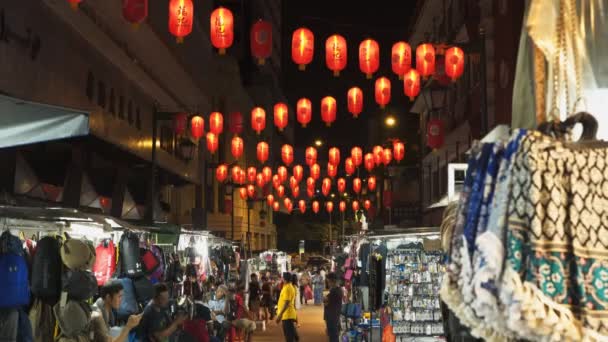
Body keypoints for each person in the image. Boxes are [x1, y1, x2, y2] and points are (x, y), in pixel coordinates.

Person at [275, 273, 297, 342]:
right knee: (290, 334)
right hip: (287, 314)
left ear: (284, 279)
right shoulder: (288, 286)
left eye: (282, 278)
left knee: (289, 336)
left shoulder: (287, 288)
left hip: (287, 315)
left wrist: (280, 315)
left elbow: (286, 303)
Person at [324, 273, 342, 342]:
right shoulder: (336, 290)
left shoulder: (334, 291)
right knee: (333, 335)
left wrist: (325, 299)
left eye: (328, 281)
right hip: (333, 316)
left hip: (332, 316)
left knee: (333, 336)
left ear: (332, 281)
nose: (328, 283)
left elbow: (326, 302)